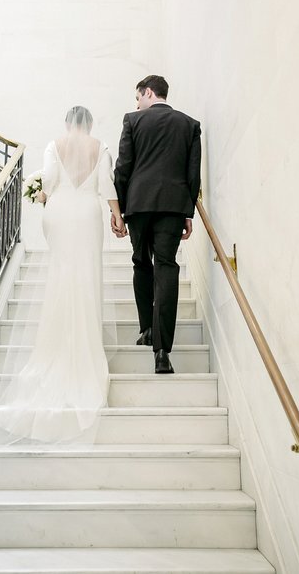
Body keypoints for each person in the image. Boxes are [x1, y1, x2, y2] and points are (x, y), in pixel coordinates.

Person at [0, 106, 123, 442]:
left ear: (67, 123)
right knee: (87, 276)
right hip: (89, 213)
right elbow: (107, 185)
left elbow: (47, 179)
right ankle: (86, 342)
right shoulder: (100, 146)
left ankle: (58, 343)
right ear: (89, 125)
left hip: (60, 212)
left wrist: (44, 194)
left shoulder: (54, 145)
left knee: (62, 276)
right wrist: (117, 216)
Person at [112, 75, 202, 375]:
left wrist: (119, 210)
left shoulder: (133, 121)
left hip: (138, 205)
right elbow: (193, 175)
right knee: (166, 266)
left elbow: (123, 167)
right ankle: (162, 351)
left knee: (141, 263)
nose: (136, 104)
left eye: (138, 97)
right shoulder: (189, 124)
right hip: (173, 206)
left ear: (149, 92)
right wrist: (187, 212)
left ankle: (147, 328)